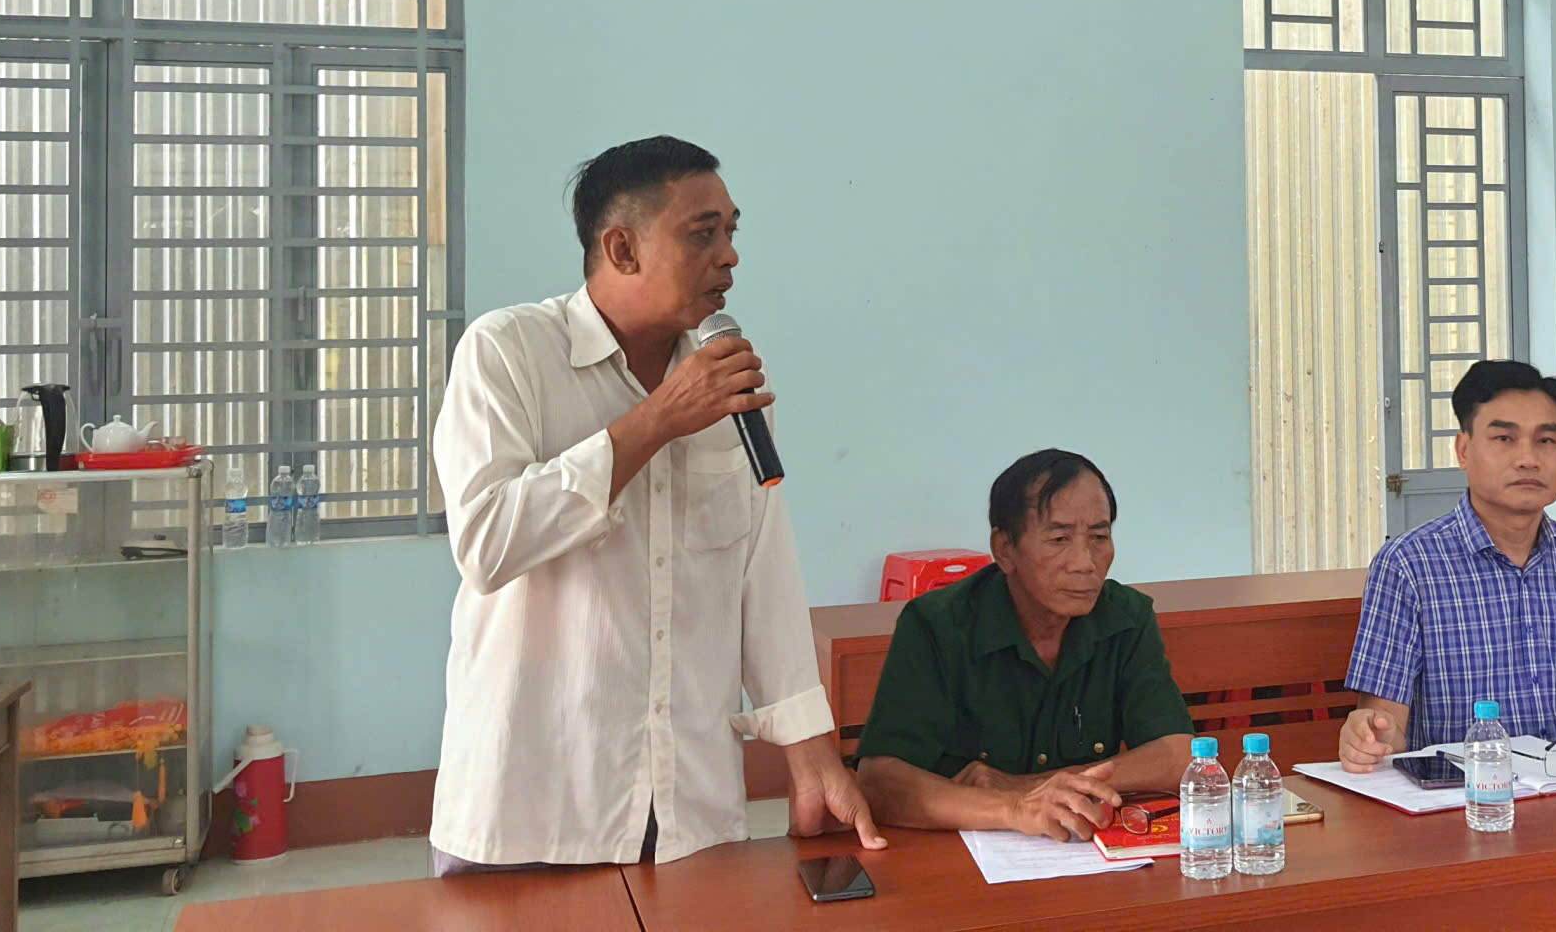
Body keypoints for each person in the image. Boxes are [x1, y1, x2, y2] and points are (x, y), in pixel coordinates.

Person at [428, 137, 880, 873]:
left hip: (687, 806)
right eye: (702, 234)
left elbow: (764, 577)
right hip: (532, 808)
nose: (729, 256)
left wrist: (814, 759)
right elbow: (486, 544)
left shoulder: (729, 382)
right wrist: (657, 420)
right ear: (622, 248)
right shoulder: (506, 352)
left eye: (731, 231)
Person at [1336, 360, 1556, 772]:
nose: (1528, 459)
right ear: (1464, 450)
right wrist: (1370, 736)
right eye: (1504, 438)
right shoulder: (1409, 565)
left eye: (1546, 440)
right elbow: (1386, 720)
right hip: (1462, 794)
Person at [853, 449, 1195, 842]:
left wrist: (1034, 787)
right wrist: (1013, 808)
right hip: (957, 852)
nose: (1085, 562)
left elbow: (1178, 754)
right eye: (1059, 539)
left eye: (1099, 537)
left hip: (1078, 847)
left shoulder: (1126, 618)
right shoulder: (938, 625)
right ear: (1005, 549)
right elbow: (880, 782)